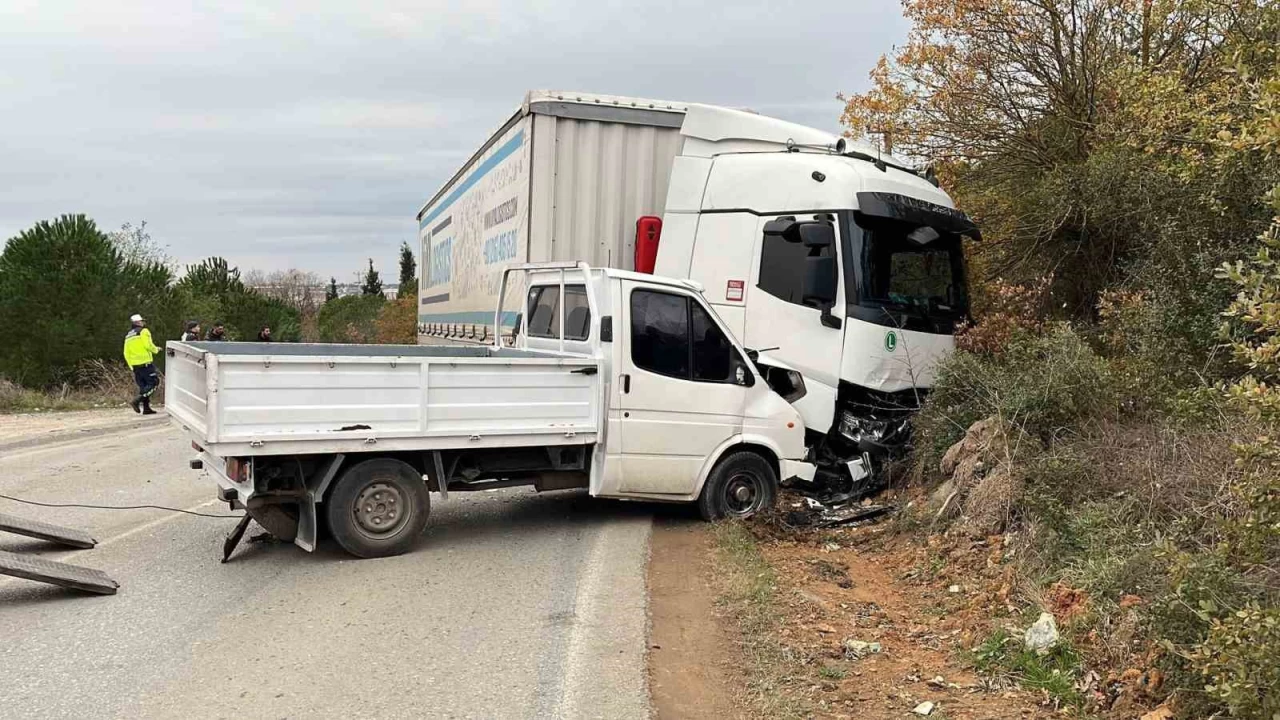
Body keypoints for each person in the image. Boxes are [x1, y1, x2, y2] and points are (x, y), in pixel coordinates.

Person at [123, 313, 161, 415]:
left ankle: (146, 408)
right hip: (145, 363)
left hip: (135, 366)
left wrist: (131, 366)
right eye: (142, 321)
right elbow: (148, 345)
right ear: (138, 322)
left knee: (144, 387)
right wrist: (156, 349)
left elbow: (126, 352)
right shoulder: (144, 331)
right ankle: (137, 401)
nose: (143, 323)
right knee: (154, 383)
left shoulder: (128, 335)